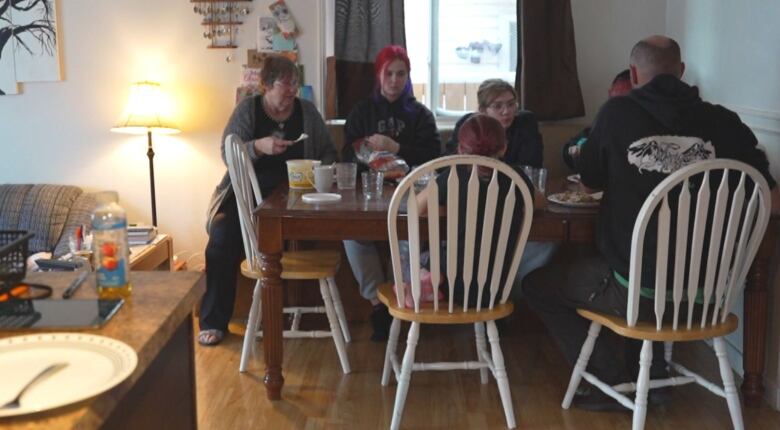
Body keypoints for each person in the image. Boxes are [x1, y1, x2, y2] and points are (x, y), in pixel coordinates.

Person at [522, 35, 780, 411]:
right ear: (681, 72)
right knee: (648, 263)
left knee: (542, 284)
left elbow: (590, 181)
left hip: (638, 296)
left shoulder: (616, 115)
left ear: (634, 73)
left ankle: (611, 381)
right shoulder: (724, 122)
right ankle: (655, 377)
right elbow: (770, 201)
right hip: (707, 298)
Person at [200, 55, 337, 346]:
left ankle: (297, 313)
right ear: (265, 85)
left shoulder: (307, 112)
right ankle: (213, 321)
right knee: (221, 237)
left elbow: (328, 150)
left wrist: (318, 167)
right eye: (284, 86)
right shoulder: (248, 110)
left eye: (295, 86)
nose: (291, 93)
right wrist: (257, 148)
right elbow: (228, 153)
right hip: (247, 196)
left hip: (295, 196)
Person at [341, 45, 441, 342]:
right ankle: (377, 304)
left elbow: (434, 155)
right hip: (369, 195)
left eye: (401, 74)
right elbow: (347, 153)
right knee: (352, 234)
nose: (395, 80)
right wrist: (368, 151)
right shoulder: (362, 111)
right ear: (379, 75)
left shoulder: (421, 114)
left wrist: (396, 148)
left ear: (408, 77)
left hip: (414, 196)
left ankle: (406, 299)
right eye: (389, 73)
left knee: (410, 236)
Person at [416, 114, 538, 306]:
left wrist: (455, 208)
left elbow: (416, 208)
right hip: (496, 288)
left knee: (421, 256)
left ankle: (422, 287)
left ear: (460, 150)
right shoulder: (518, 179)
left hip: (453, 289)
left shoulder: (453, 176)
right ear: (504, 147)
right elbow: (533, 205)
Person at [444, 79, 543, 167]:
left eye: (511, 104)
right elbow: (447, 163)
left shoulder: (526, 122)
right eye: (497, 106)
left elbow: (531, 166)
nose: (506, 111)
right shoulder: (469, 124)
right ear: (483, 110)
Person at [561, 69, 632, 171]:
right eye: (612, 101)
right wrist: (581, 149)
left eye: (622, 103)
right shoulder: (603, 123)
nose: (615, 109)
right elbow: (570, 150)